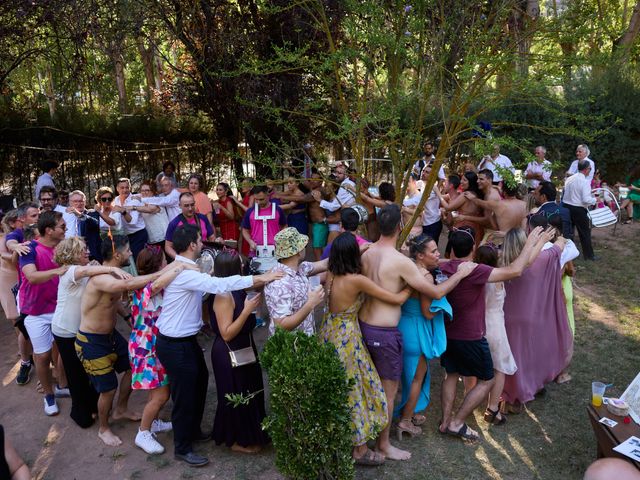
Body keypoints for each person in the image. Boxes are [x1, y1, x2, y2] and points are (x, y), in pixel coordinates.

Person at [154, 224, 283, 467]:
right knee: (183, 395)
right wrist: (261, 277)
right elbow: (220, 285)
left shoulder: (187, 266)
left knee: (200, 381)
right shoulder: (186, 273)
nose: (203, 242)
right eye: (200, 239)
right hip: (173, 343)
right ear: (192, 245)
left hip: (185, 340)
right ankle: (183, 447)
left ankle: (193, 431)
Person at [358, 204, 476, 460]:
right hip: (385, 332)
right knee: (390, 392)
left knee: (371, 385)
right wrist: (461, 273)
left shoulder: (366, 252)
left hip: (363, 327)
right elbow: (434, 293)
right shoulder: (401, 262)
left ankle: (367, 437)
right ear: (400, 226)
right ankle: (384, 444)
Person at [437, 226, 547, 441]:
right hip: (471, 334)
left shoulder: (445, 267)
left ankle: (444, 421)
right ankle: (457, 422)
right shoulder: (477, 270)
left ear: (450, 250)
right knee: (487, 379)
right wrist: (533, 242)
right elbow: (516, 269)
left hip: (449, 332)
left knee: (451, 375)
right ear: (472, 249)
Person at [76, 235, 180, 447]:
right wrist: (162, 272)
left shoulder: (110, 273)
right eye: (127, 251)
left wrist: (127, 317)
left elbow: (112, 302)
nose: (130, 253)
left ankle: (121, 409)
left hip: (111, 335)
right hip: (92, 340)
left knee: (132, 369)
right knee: (108, 388)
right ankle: (104, 429)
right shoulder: (102, 279)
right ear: (117, 254)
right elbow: (131, 284)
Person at [321, 232, 411, 465]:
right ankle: (359, 449)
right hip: (348, 339)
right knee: (358, 390)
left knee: (338, 389)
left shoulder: (330, 274)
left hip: (329, 332)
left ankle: (338, 440)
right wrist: (411, 285)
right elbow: (394, 298)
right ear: (353, 255)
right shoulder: (356, 280)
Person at [52, 237, 130, 428]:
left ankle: (97, 407)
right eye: (82, 250)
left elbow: (110, 299)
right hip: (66, 331)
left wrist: (127, 317)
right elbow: (85, 270)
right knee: (77, 375)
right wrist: (111, 268)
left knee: (91, 373)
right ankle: (81, 414)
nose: (87, 252)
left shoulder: (89, 270)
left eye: (87, 248)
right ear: (71, 255)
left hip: (86, 329)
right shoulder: (70, 271)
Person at [130, 245, 197, 455]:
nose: (167, 264)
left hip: (155, 345)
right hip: (146, 349)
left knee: (158, 390)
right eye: (164, 262)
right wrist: (180, 266)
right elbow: (157, 284)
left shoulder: (157, 285)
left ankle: (155, 422)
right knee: (161, 394)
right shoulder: (147, 289)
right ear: (158, 266)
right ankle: (143, 432)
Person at [501, 228, 573, 410]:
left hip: (506, 316)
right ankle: (527, 387)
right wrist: (558, 238)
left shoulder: (501, 263)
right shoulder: (540, 260)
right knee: (530, 354)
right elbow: (558, 248)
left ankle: (508, 394)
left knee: (511, 356)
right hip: (531, 316)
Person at [208, 251, 269, 454]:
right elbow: (226, 334)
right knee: (236, 394)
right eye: (241, 266)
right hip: (228, 353)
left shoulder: (239, 288)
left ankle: (253, 433)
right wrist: (246, 310)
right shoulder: (223, 296)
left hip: (245, 347)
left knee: (251, 390)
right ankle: (236, 439)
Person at [395, 234, 450, 437]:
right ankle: (406, 421)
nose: (438, 254)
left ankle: (411, 412)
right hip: (417, 330)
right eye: (434, 251)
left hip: (403, 325)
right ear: (420, 255)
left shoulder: (406, 268)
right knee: (417, 378)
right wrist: (443, 305)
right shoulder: (425, 277)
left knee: (406, 376)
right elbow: (428, 312)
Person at [19, 211, 69, 416]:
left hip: (60, 308)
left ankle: (61, 386)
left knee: (63, 350)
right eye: (62, 227)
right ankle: (48, 395)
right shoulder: (30, 249)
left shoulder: (63, 248)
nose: (65, 230)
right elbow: (31, 276)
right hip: (35, 311)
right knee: (42, 355)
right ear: (49, 230)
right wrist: (58, 271)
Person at [473, 244, 516, 425]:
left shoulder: (474, 278)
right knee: (499, 369)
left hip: (478, 325)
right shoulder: (497, 277)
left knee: (478, 366)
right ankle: (492, 408)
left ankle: (473, 400)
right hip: (495, 326)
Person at [264, 227, 327, 336]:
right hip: (291, 348)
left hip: (304, 342)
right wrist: (311, 303)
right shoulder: (280, 283)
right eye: (304, 245)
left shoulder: (301, 268)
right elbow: (281, 325)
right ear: (298, 251)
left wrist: (354, 250)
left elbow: (325, 264)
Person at [0, 211, 31, 385]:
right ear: (12, 222)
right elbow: (8, 257)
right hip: (9, 278)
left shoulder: (25, 232)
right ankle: (26, 356)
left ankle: (28, 350)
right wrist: (18, 249)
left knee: (24, 318)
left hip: (23, 276)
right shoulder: (8, 237)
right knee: (16, 317)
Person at [241, 185, 287, 273]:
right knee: (257, 281)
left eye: (261, 199)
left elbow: (284, 226)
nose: (258, 202)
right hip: (256, 252)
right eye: (256, 199)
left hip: (276, 252)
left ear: (268, 195)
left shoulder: (277, 210)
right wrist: (250, 242)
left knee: (276, 281)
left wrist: (281, 241)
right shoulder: (250, 212)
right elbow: (245, 230)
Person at [436, 171, 485, 245]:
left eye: (464, 180)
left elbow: (448, 208)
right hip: (475, 227)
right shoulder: (475, 194)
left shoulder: (465, 195)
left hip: (464, 227)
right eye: (461, 179)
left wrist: (437, 192)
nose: (461, 182)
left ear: (471, 182)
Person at [164, 192, 217, 260]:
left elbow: (211, 238)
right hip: (185, 261)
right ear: (180, 205)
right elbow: (168, 247)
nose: (190, 208)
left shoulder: (203, 218)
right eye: (186, 205)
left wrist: (217, 241)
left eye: (192, 205)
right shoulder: (174, 224)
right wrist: (180, 259)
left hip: (205, 258)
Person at [312, 163, 356, 243]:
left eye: (340, 173)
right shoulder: (345, 184)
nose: (336, 175)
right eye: (336, 172)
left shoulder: (345, 185)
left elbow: (334, 206)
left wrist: (319, 200)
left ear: (346, 175)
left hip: (346, 221)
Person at [561, 160, 596, 260]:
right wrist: (594, 200)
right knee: (584, 232)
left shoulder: (570, 178)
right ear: (586, 170)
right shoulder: (584, 182)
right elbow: (586, 200)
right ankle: (589, 256)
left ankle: (568, 253)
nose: (590, 170)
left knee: (568, 232)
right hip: (578, 209)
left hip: (567, 207)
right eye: (589, 168)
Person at [113, 178, 148, 260]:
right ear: (117, 189)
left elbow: (132, 222)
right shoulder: (116, 200)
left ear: (130, 188)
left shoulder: (134, 200)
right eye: (122, 188)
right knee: (127, 261)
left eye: (127, 187)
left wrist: (123, 211)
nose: (125, 190)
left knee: (138, 260)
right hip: (125, 236)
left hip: (138, 235)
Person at [130, 181, 168, 247]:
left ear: (152, 191)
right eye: (142, 190)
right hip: (151, 240)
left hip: (164, 238)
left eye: (147, 190)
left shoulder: (157, 200)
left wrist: (133, 207)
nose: (144, 192)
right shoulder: (142, 202)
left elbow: (150, 209)